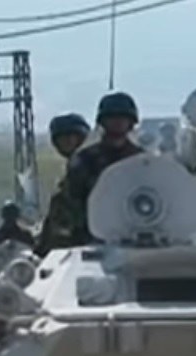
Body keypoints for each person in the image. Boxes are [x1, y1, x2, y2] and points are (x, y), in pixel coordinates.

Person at [59, 92, 145, 246]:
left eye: (122, 117)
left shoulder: (142, 160)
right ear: (103, 121)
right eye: (112, 117)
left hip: (134, 234)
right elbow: (71, 203)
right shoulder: (85, 159)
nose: (117, 122)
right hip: (92, 238)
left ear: (131, 122)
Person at [34, 113, 93, 256]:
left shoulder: (96, 165)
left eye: (73, 137)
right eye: (62, 138)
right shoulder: (70, 176)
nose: (68, 142)